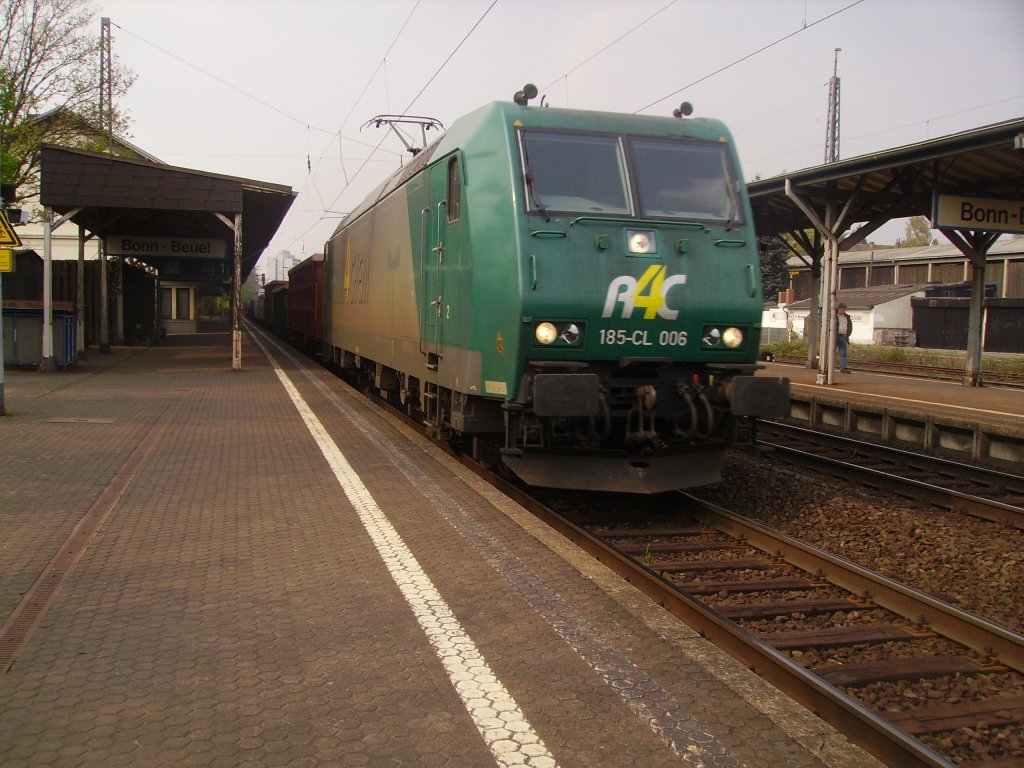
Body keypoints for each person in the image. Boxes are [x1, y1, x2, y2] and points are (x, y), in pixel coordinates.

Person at [836, 303, 853, 373]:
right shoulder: (833, 316)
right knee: (830, 352)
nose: (843, 311)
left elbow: (850, 327)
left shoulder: (847, 317)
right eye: (842, 310)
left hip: (843, 336)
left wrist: (847, 335)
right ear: (838, 309)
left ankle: (843, 367)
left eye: (844, 310)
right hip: (834, 336)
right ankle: (827, 366)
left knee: (843, 353)